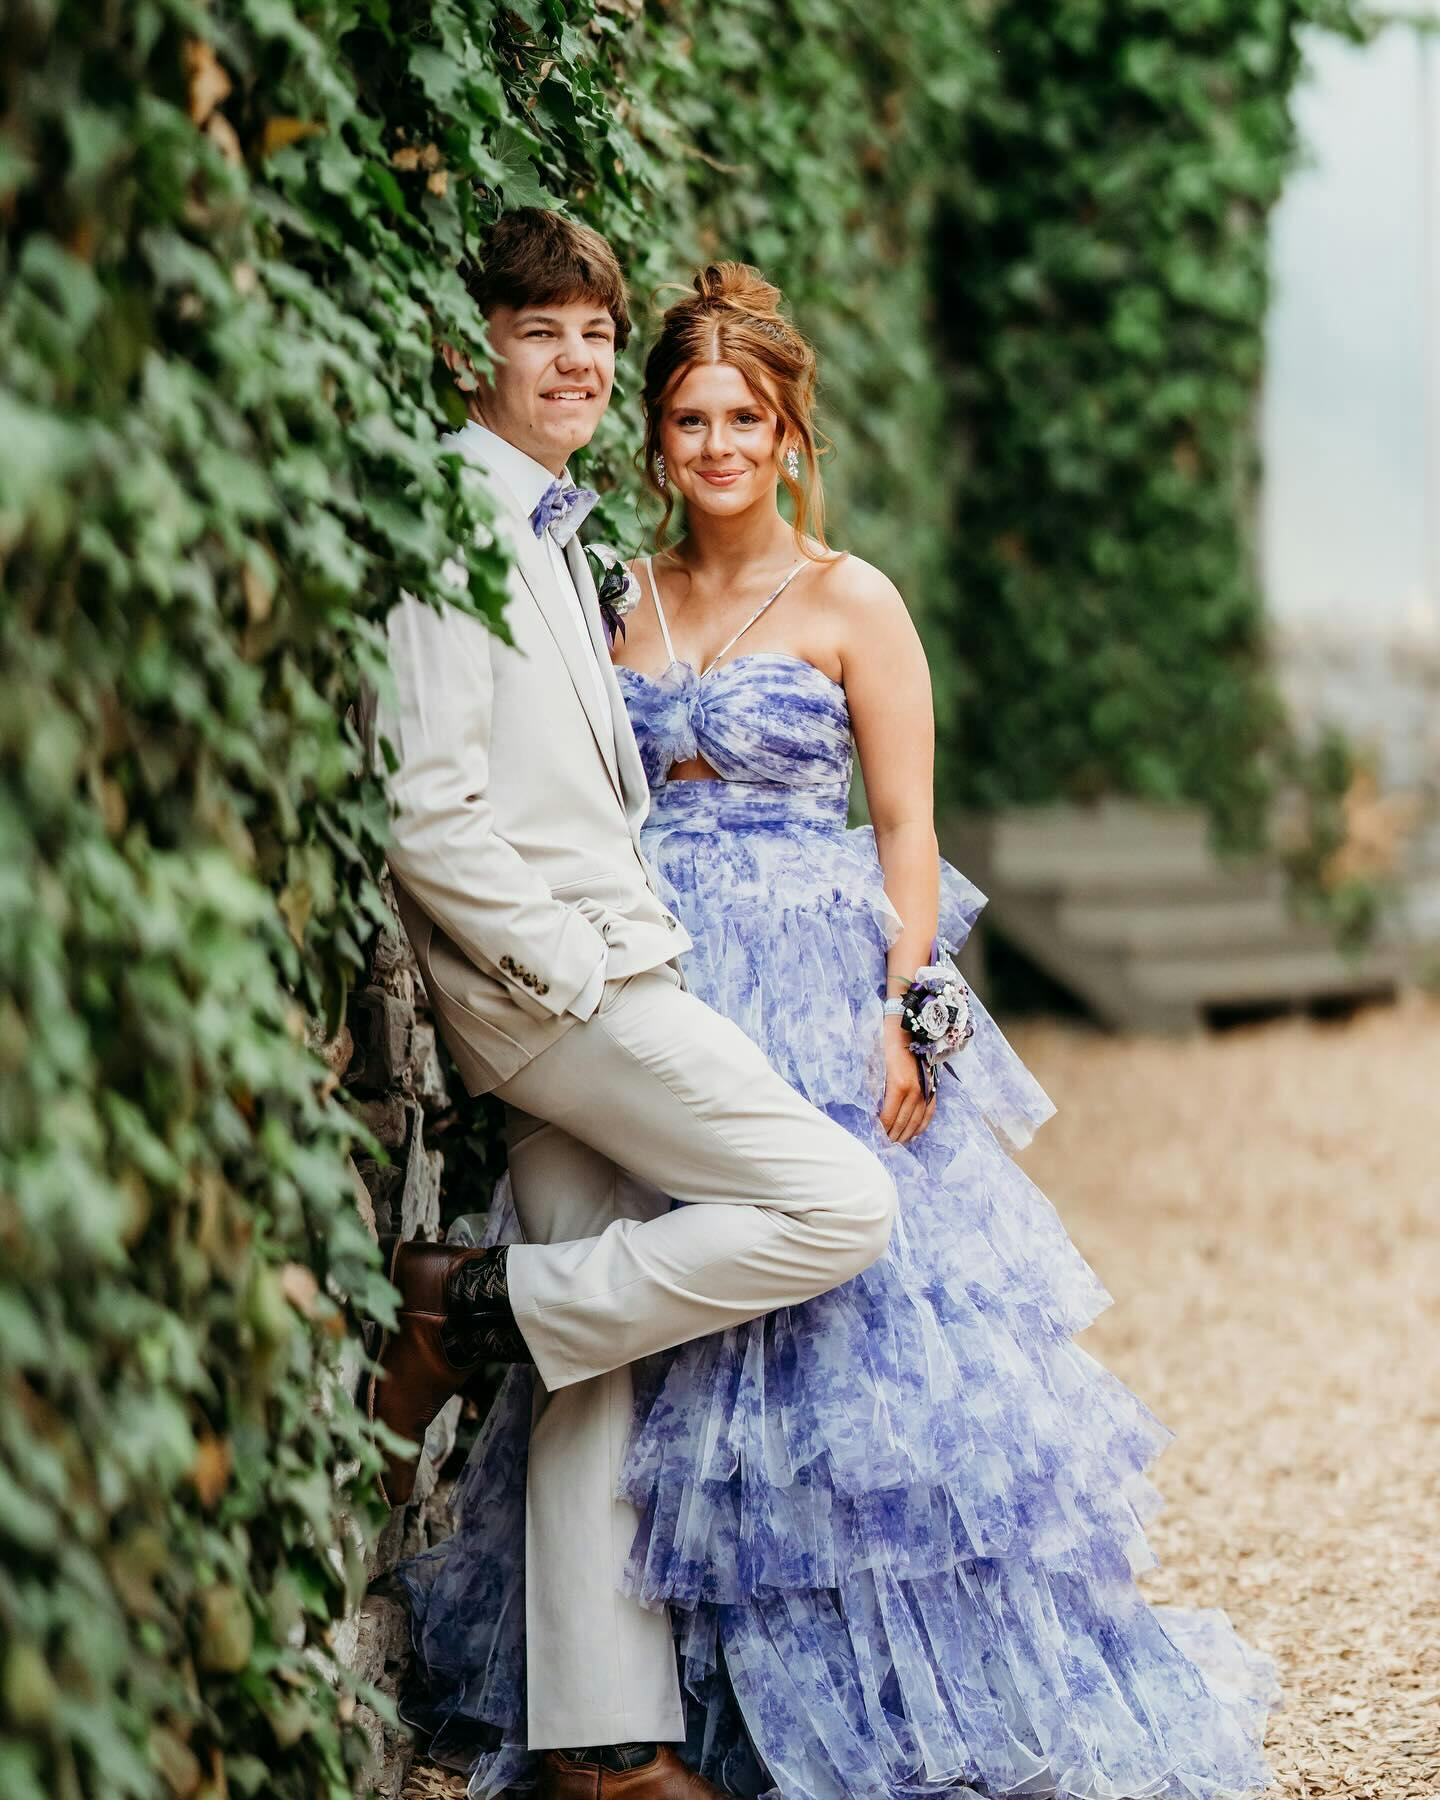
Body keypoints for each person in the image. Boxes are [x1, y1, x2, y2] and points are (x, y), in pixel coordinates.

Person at [399, 264, 1279, 1800]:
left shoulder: (853, 599)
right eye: (690, 420)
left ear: (790, 434)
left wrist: (904, 1009)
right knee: (665, 1321)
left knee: (838, 1307)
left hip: (815, 982)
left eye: (744, 419)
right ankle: (628, 1722)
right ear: (657, 441)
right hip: (643, 968)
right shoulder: (611, 590)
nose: (717, 446)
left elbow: (909, 827)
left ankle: (849, 1702)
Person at [363, 214, 898, 1800]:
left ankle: (607, 1750)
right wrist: (570, 972)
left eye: (596, 333)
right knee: (838, 1202)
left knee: (596, 1353)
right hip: (566, 989)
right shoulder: (454, 520)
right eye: (542, 331)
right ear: (475, 348)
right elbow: (429, 810)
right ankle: (467, 1305)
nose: (579, 359)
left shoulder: (551, 526)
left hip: (588, 970)